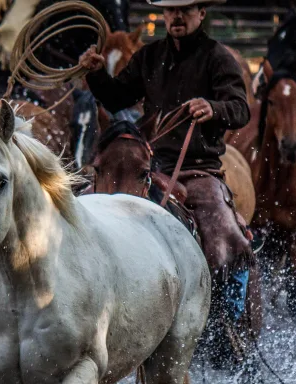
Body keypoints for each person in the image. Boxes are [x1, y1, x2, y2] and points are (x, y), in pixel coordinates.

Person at [79, 0, 253, 330]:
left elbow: (241, 109)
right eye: (171, 10)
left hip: (199, 167)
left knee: (222, 229)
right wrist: (96, 73)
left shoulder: (218, 58)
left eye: (185, 9)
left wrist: (214, 108)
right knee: (88, 204)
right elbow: (116, 98)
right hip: (150, 162)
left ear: (201, 13)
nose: (177, 16)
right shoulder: (149, 56)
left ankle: (225, 320)